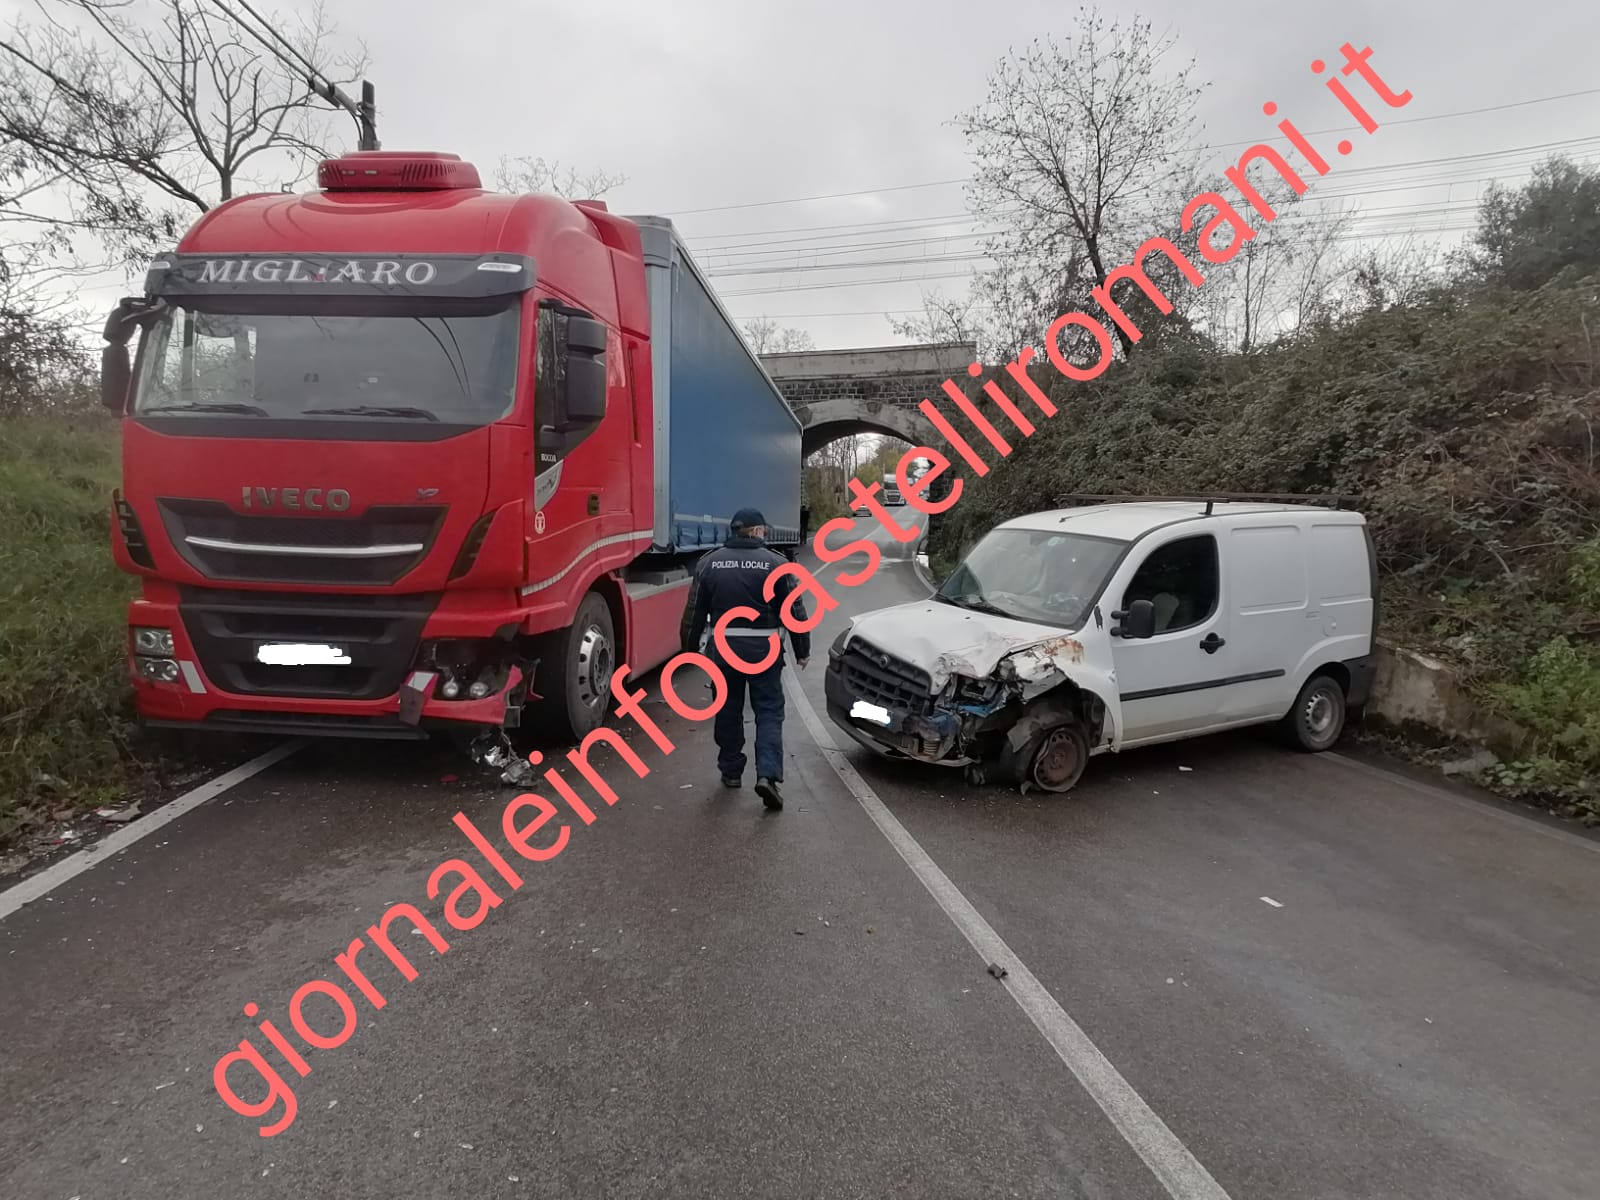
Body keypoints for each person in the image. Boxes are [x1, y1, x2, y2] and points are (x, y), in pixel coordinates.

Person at [679, 508, 810, 811]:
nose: (765, 535)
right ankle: (767, 776)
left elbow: (694, 612)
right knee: (769, 712)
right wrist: (802, 650)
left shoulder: (709, 563)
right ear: (755, 531)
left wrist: (688, 650)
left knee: (727, 709)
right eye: (763, 530)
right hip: (764, 652)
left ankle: (731, 771)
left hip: (723, 652)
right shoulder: (778, 564)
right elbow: (795, 612)